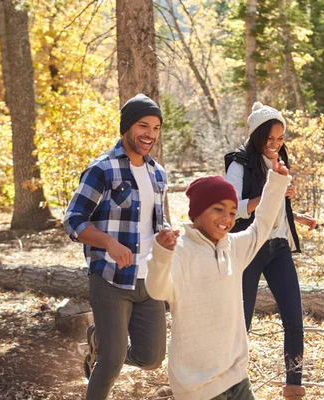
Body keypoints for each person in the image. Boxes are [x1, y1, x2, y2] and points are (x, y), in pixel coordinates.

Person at [145, 153, 291, 400]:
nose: (227, 218)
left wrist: (276, 181)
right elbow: (158, 291)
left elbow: (262, 224)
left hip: (236, 375)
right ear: (198, 212)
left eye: (233, 212)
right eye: (218, 209)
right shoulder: (180, 251)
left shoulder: (234, 247)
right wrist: (161, 255)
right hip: (197, 385)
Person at [63, 94, 171, 400]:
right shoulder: (103, 169)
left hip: (149, 280)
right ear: (126, 127)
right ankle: (107, 350)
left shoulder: (158, 173)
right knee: (110, 363)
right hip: (110, 278)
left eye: (156, 127)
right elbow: (72, 220)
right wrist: (109, 243)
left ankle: (100, 340)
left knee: (152, 359)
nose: (150, 133)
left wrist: (167, 237)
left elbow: (156, 223)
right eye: (143, 125)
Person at [225, 102, 316, 399]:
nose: (275, 145)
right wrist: (267, 192)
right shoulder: (239, 164)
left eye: (280, 139)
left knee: (294, 317)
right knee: (243, 321)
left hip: (278, 248)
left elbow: (277, 209)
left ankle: (294, 385)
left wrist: (296, 214)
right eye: (270, 139)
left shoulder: (279, 160)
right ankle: (230, 384)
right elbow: (232, 208)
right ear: (256, 137)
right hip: (249, 247)